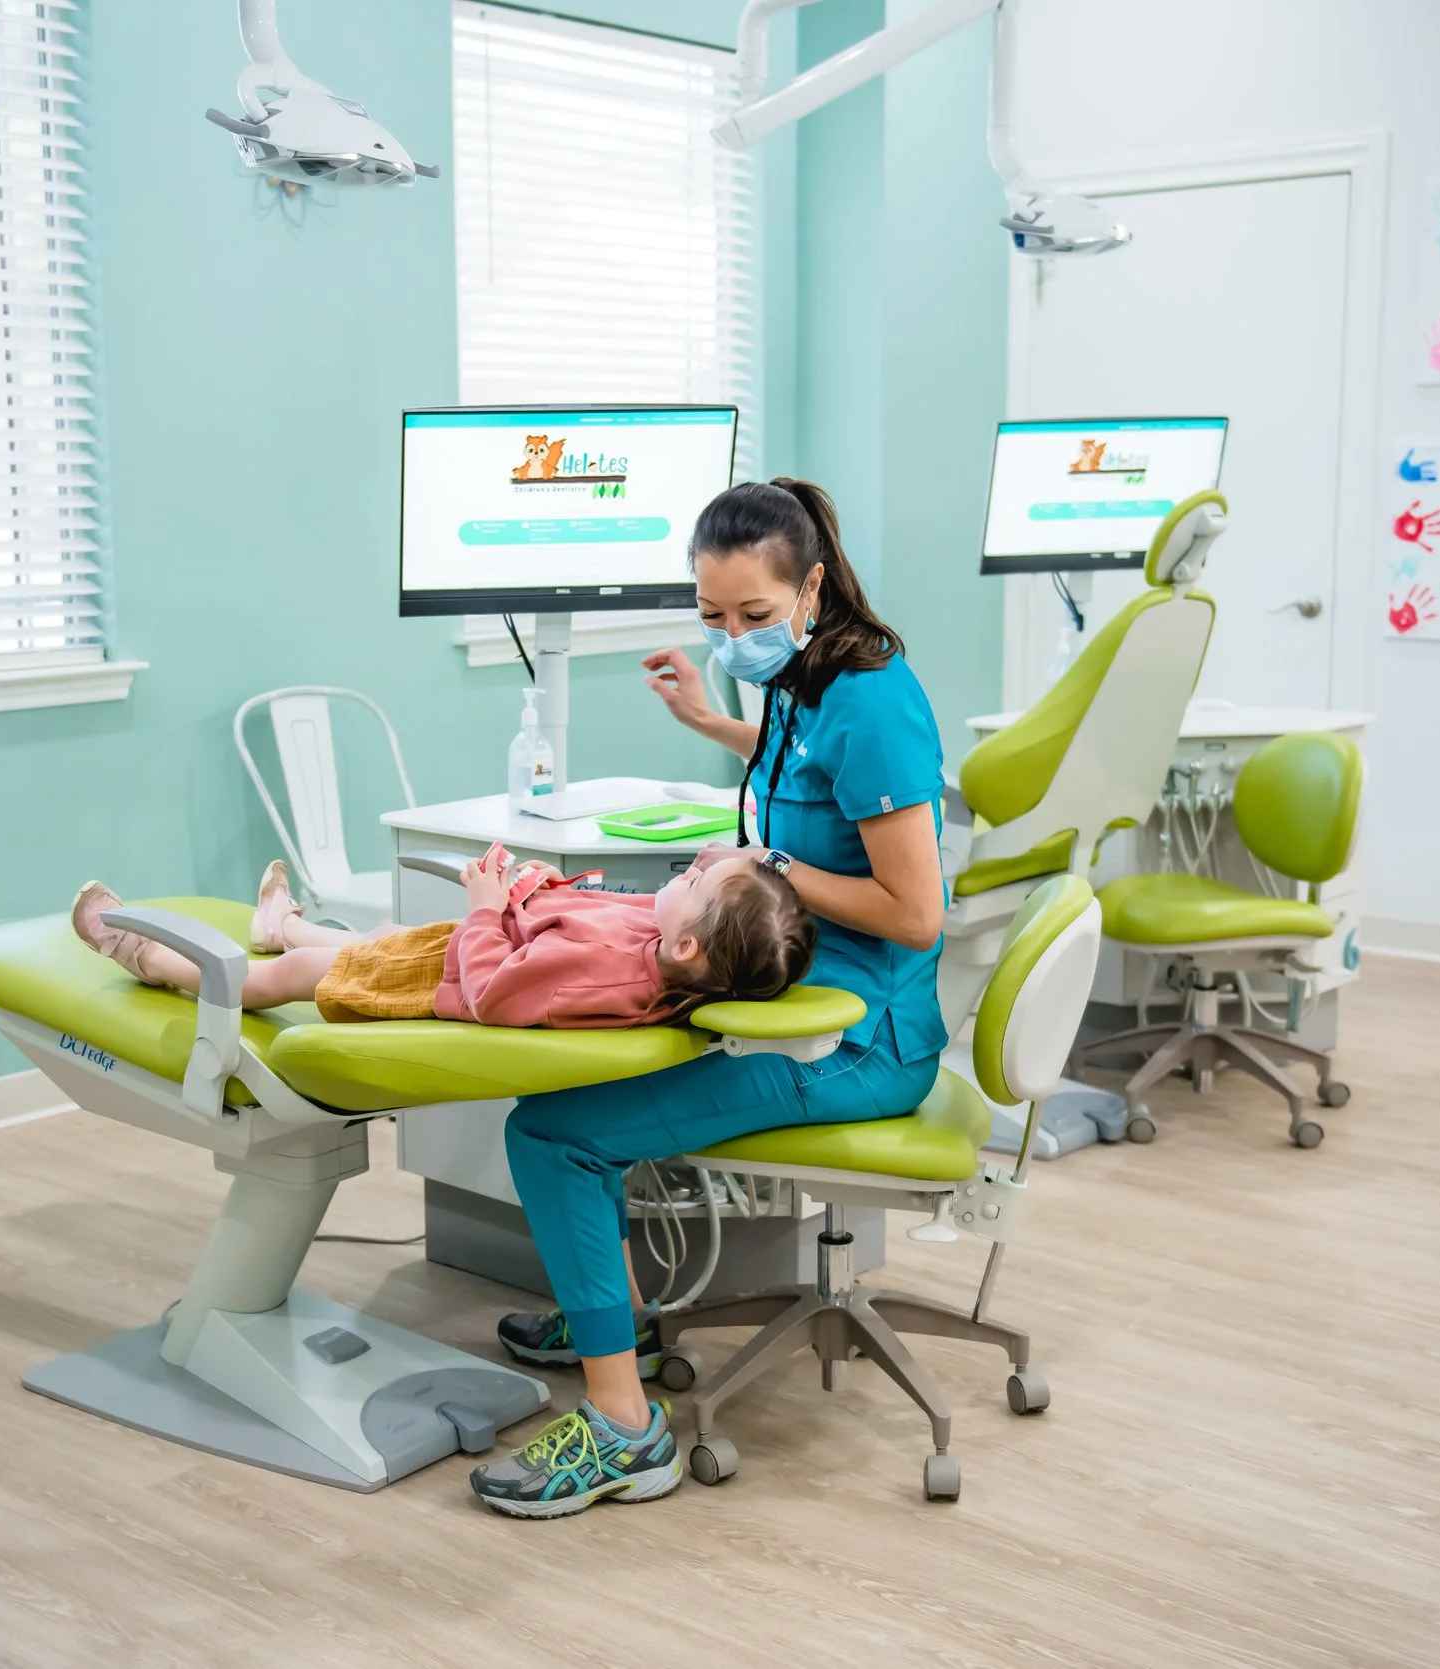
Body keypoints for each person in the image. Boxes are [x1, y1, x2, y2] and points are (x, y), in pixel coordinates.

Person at [469, 477, 948, 1520]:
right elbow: (801, 772)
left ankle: (624, 1429)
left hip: (853, 1035)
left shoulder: (870, 695)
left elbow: (914, 913)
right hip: (782, 996)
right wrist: (705, 719)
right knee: (578, 1012)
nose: (733, 638)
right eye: (711, 618)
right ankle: (618, 1315)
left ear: (812, 584)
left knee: (555, 1134)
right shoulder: (806, 670)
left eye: (753, 617)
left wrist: (761, 858)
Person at [68, 851, 814, 1027]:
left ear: (690, 946)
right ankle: (280, 922)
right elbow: (589, 914)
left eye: (693, 883)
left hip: (440, 981)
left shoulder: (602, 971)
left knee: (294, 975)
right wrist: (546, 888)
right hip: (446, 954)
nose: (685, 874)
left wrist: (490, 906)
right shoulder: (657, 937)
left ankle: (149, 956)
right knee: (383, 931)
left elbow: (494, 993)